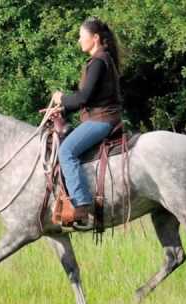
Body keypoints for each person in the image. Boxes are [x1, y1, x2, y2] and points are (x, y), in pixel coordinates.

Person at [50, 16, 123, 230]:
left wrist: (61, 99)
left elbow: (83, 97)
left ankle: (81, 206)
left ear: (95, 38)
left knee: (66, 151)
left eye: (82, 36)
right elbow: (87, 98)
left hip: (102, 120)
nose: (79, 41)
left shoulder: (99, 62)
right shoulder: (102, 59)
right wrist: (62, 108)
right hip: (101, 117)